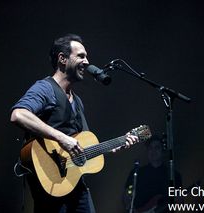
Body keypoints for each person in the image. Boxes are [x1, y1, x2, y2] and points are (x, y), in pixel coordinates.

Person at [10, 33, 139, 213]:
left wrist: (112, 147)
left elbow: (82, 145)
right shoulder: (45, 88)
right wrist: (62, 138)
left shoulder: (77, 102)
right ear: (62, 59)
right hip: (50, 181)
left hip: (74, 184)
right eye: (81, 56)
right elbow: (18, 115)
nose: (87, 62)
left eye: (86, 57)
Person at [123, 134, 182, 213]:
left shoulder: (174, 175)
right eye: (150, 148)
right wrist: (130, 206)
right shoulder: (137, 172)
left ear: (163, 151)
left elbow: (179, 202)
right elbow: (127, 195)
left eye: (157, 148)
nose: (153, 151)